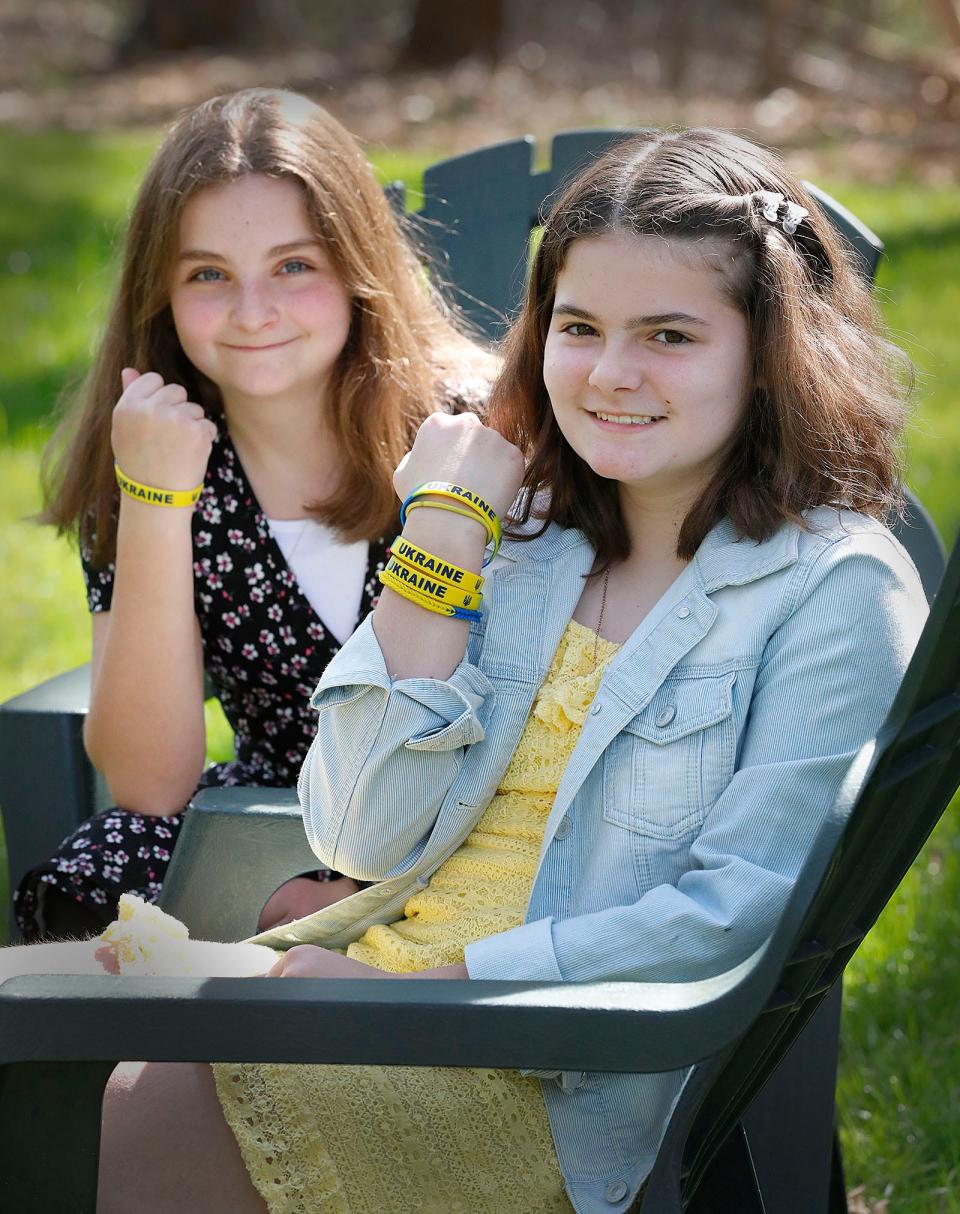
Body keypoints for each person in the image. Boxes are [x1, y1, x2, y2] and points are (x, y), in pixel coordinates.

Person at [7, 127, 927, 1213]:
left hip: (547, 1062)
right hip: (354, 974)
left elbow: (739, 909)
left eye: (669, 335)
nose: (611, 374)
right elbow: (357, 829)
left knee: (120, 1124)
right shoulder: (532, 537)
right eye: (578, 328)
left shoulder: (832, 587)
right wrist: (438, 540)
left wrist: (435, 994)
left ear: (768, 350)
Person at [15, 87, 491, 941]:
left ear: (356, 267)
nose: (252, 312)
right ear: (158, 291)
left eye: (293, 266)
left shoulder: (470, 438)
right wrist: (158, 500)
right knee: (101, 874)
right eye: (208, 274)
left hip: (468, 825)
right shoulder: (151, 454)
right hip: (272, 834)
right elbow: (149, 784)